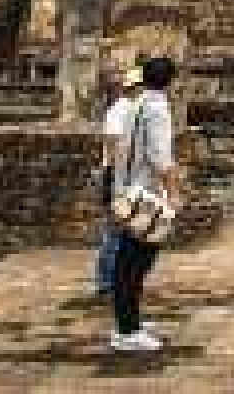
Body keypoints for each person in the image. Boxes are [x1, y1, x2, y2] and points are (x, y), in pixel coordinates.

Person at [110, 55, 182, 353]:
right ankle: (127, 330)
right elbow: (161, 158)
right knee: (135, 262)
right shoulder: (157, 108)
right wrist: (174, 193)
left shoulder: (136, 103)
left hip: (128, 189)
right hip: (144, 196)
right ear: (171, 82)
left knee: (130, 260)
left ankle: (129, 321)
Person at [94, 63, 140, 297]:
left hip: (128, 173)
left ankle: (119, 278)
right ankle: (106, 281)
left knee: (127, 230)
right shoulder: (119, 111)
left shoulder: (133, 111)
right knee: (114, 230)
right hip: (117, 173)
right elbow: (112, 146)